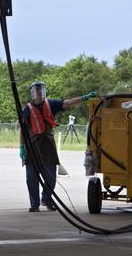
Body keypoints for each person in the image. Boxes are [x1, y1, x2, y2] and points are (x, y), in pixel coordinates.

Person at [20, 82, 94, 212]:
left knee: (51, 177)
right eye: (36, 90)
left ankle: (47, 199)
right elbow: (23, 129)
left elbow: (68, 102)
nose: (39, 92)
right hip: (32, 149)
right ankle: (34, 204)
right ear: (32, 92)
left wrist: (84, 97)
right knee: (31, 178)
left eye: (41, 89)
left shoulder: (51, 104)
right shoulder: (27, 109)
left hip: (48, 148)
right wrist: (22, 147)